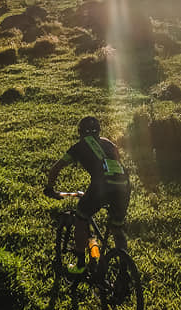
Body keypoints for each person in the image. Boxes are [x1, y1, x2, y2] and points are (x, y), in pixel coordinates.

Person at [44, 116, 131, 275]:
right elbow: (116, 164)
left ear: (80, 132)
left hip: (101, 187)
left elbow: (55, 169)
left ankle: (80, 265)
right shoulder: (110, 144)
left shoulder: (78, 147)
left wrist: (50, 189)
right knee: (117, 228)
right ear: (99, 131)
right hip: (124, 187)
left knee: (81, 217)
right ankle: (124, 271)